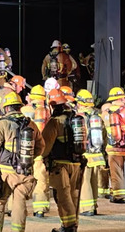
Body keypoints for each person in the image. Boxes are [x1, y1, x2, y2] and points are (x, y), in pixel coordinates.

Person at [0, 92, 43, 232]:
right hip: (25, 171)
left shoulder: (3, 124)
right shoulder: (31, 124)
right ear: (19, 107)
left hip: (5, 172)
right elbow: (41, 146)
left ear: (6, 108)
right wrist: (29, 158)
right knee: (19, 203)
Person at [41, 89, 84, 232]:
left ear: (52, 105)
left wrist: (41, 157)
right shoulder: (75, 118)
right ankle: (73, 224)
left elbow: (45, 146)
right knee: (73, 195)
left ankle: (68, 227)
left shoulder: (54, 122)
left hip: (60, 166)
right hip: (76, 163)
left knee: (62, 196)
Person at [74, 89, 107, 217]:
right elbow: (104, 135)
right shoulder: (97, 117)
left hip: (85, 155)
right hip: (97, 155)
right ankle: (93, 206)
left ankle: (87, 208)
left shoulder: (78, 117)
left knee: (84, 182)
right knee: (94, 181)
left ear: (81, 103)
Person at [21, 85, 51, 217]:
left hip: (22, 151)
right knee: (40, 180)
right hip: (38, 151)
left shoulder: (23, 109)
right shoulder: (46, 110)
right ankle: (39, 209)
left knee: (18, 180)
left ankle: (12, 207)